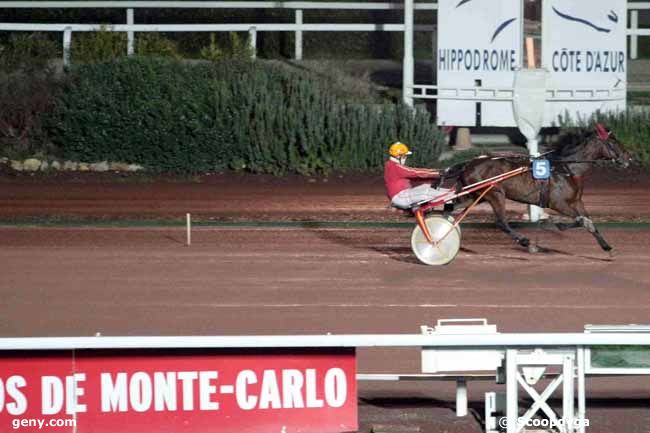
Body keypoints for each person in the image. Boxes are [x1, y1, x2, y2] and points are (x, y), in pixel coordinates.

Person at [384, 142, 452, 209]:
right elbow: (415, 172)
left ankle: (450, 194)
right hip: (400, 196)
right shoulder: (395, 167)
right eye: (404, 156)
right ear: (398, 156)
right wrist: (438, 173)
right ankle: (449, 208)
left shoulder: (391, 164)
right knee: (426, 193)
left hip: (403, 194)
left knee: (426, 186)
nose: (406, 158)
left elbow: (415, 172)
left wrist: (437, 172)